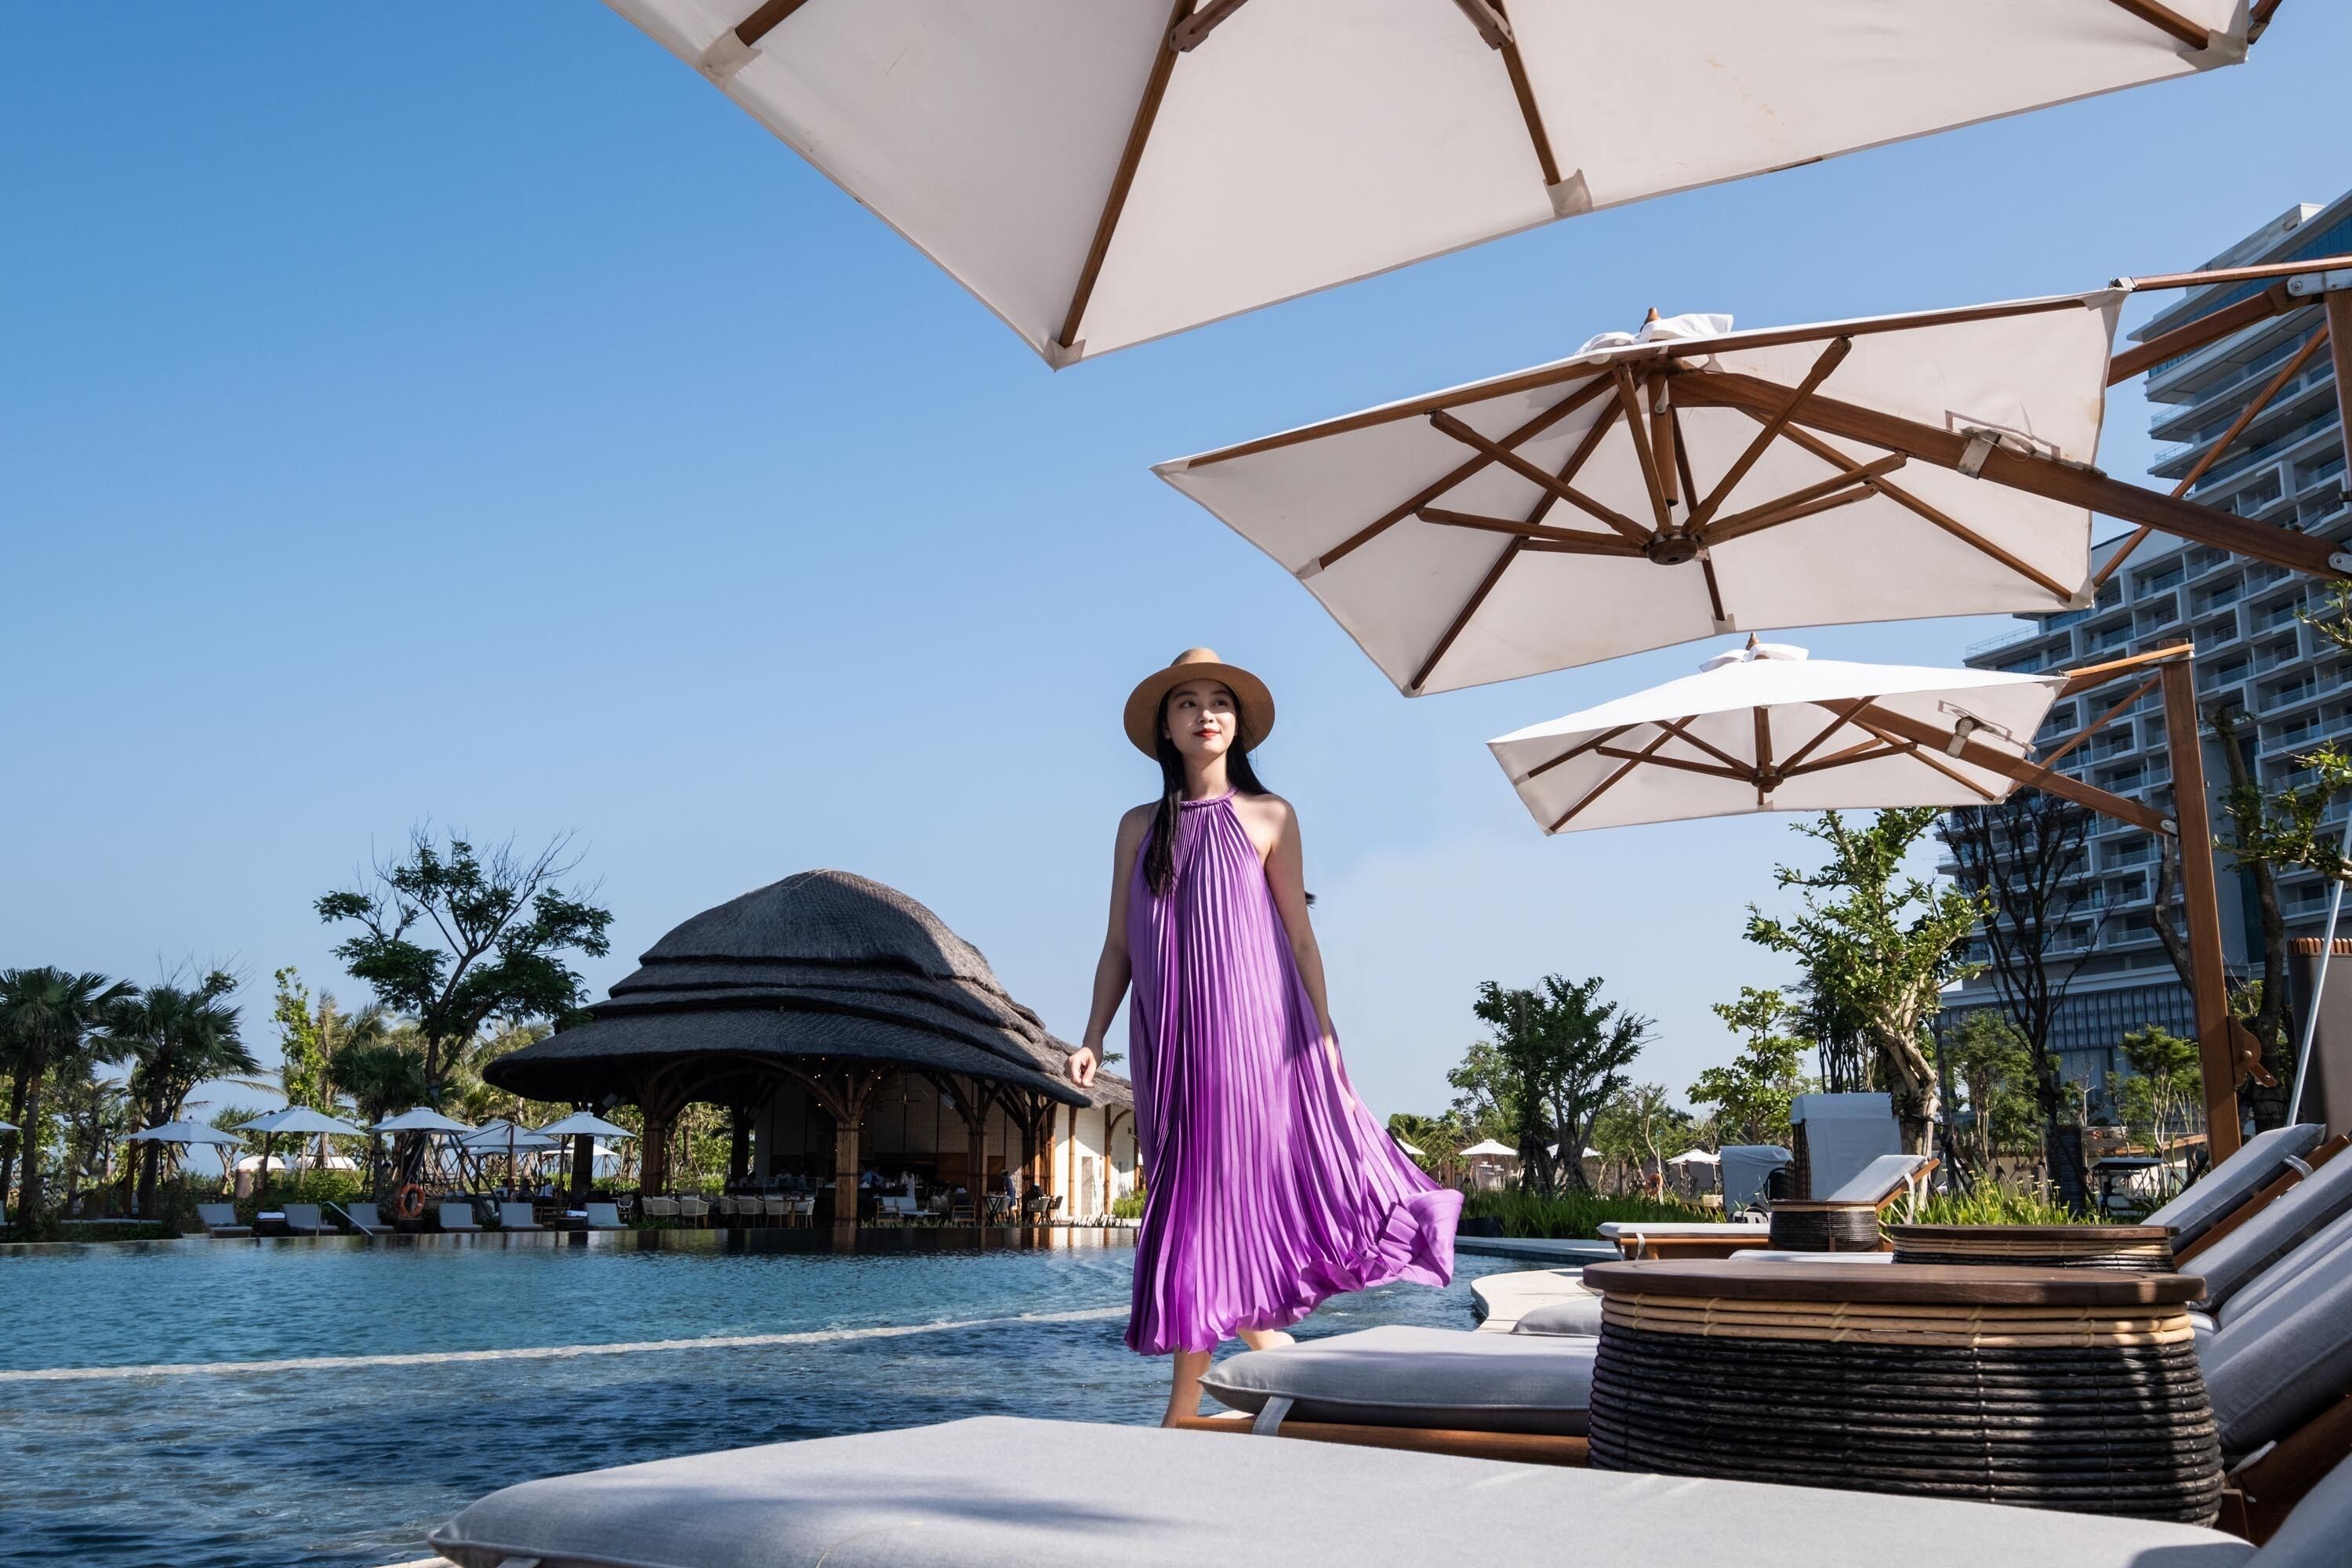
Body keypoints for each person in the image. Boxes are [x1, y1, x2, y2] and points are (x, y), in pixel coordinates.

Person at [1070, 648, 1460, 1426]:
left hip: (1251, 1034)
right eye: (1186, 702)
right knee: (1206, 1192)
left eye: (1219, 700)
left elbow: (1300, 937)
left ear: (1239, 723)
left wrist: (1324, 1036)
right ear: (1166, 727)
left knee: (1200, 1197)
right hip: (1169, 1039)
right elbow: (1119, 944)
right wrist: (1092, 1037)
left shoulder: (1270, 815)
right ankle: (1272, 1353)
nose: (1204, 712)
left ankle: (1184, 1405)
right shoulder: (1137, 827)